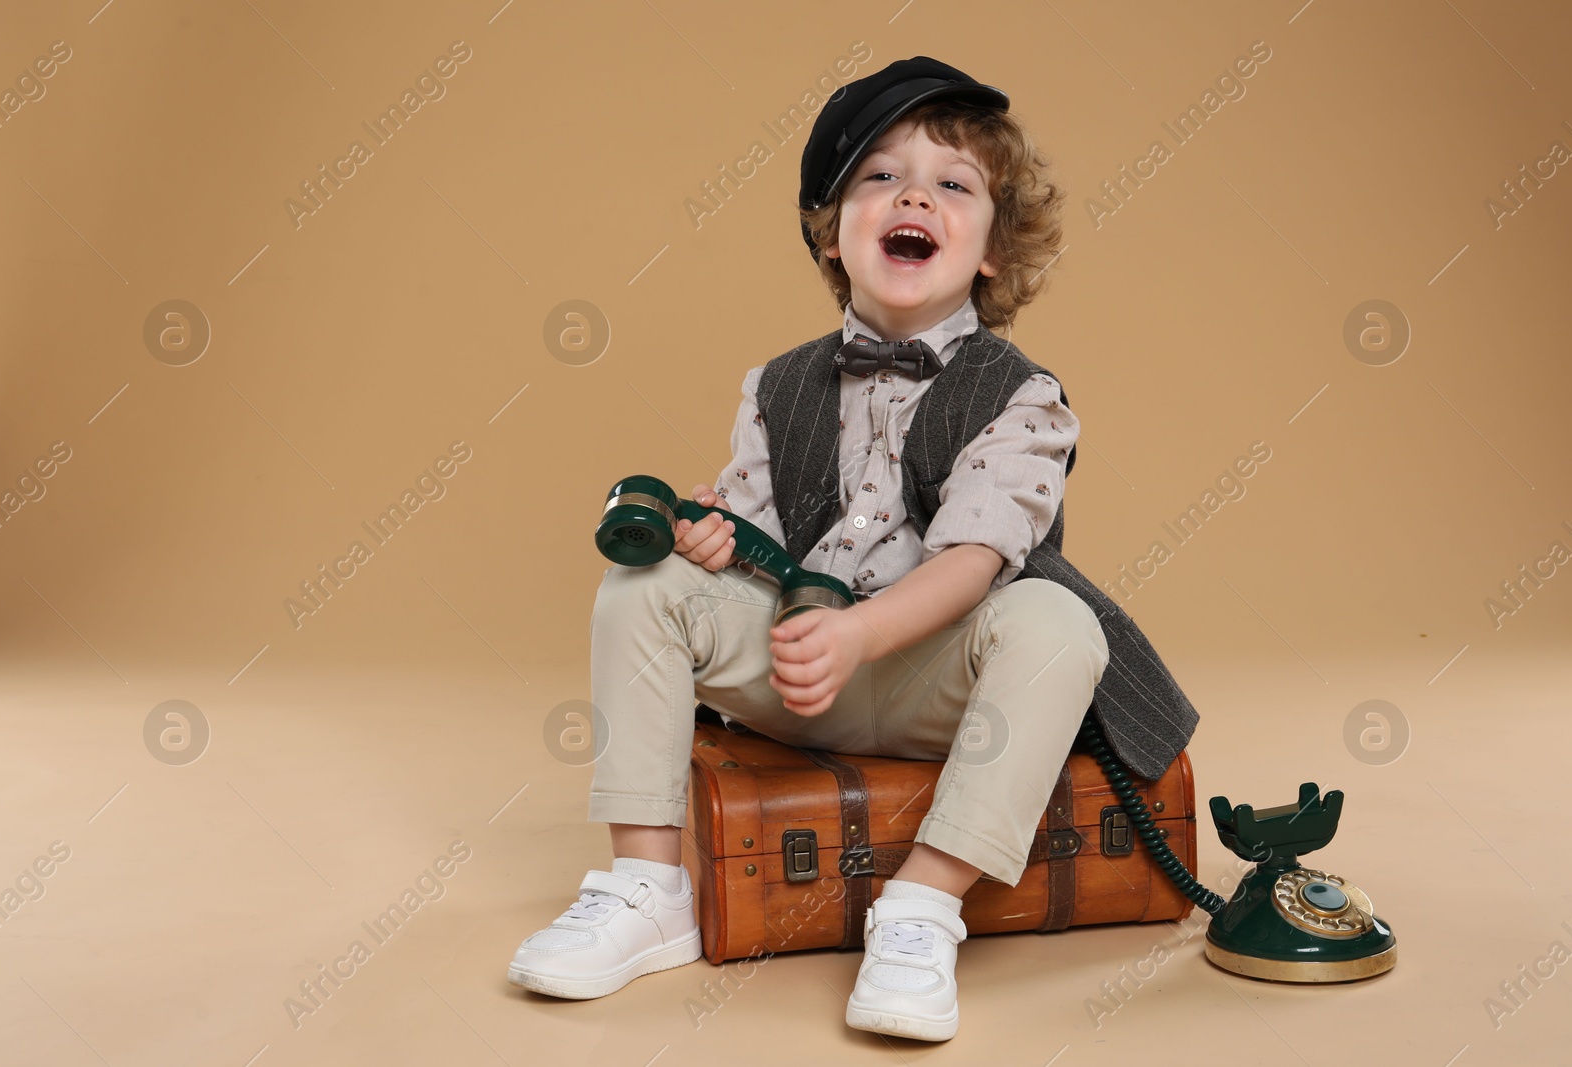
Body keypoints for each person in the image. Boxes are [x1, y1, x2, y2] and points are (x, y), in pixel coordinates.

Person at [508, 56, 1197, 1043]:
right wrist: (716, 544)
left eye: (951, 184)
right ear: (832, 232)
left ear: (994, 248)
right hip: (800, 678)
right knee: (644, 579)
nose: (912, 192)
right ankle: (646, 881)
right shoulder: (775, 385)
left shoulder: (1022, 395)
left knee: (1055, 621)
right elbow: (761, 548)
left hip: (934, 682)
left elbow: (970, 558)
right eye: (878, 176)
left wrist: (862, 632)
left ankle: (923, 905)